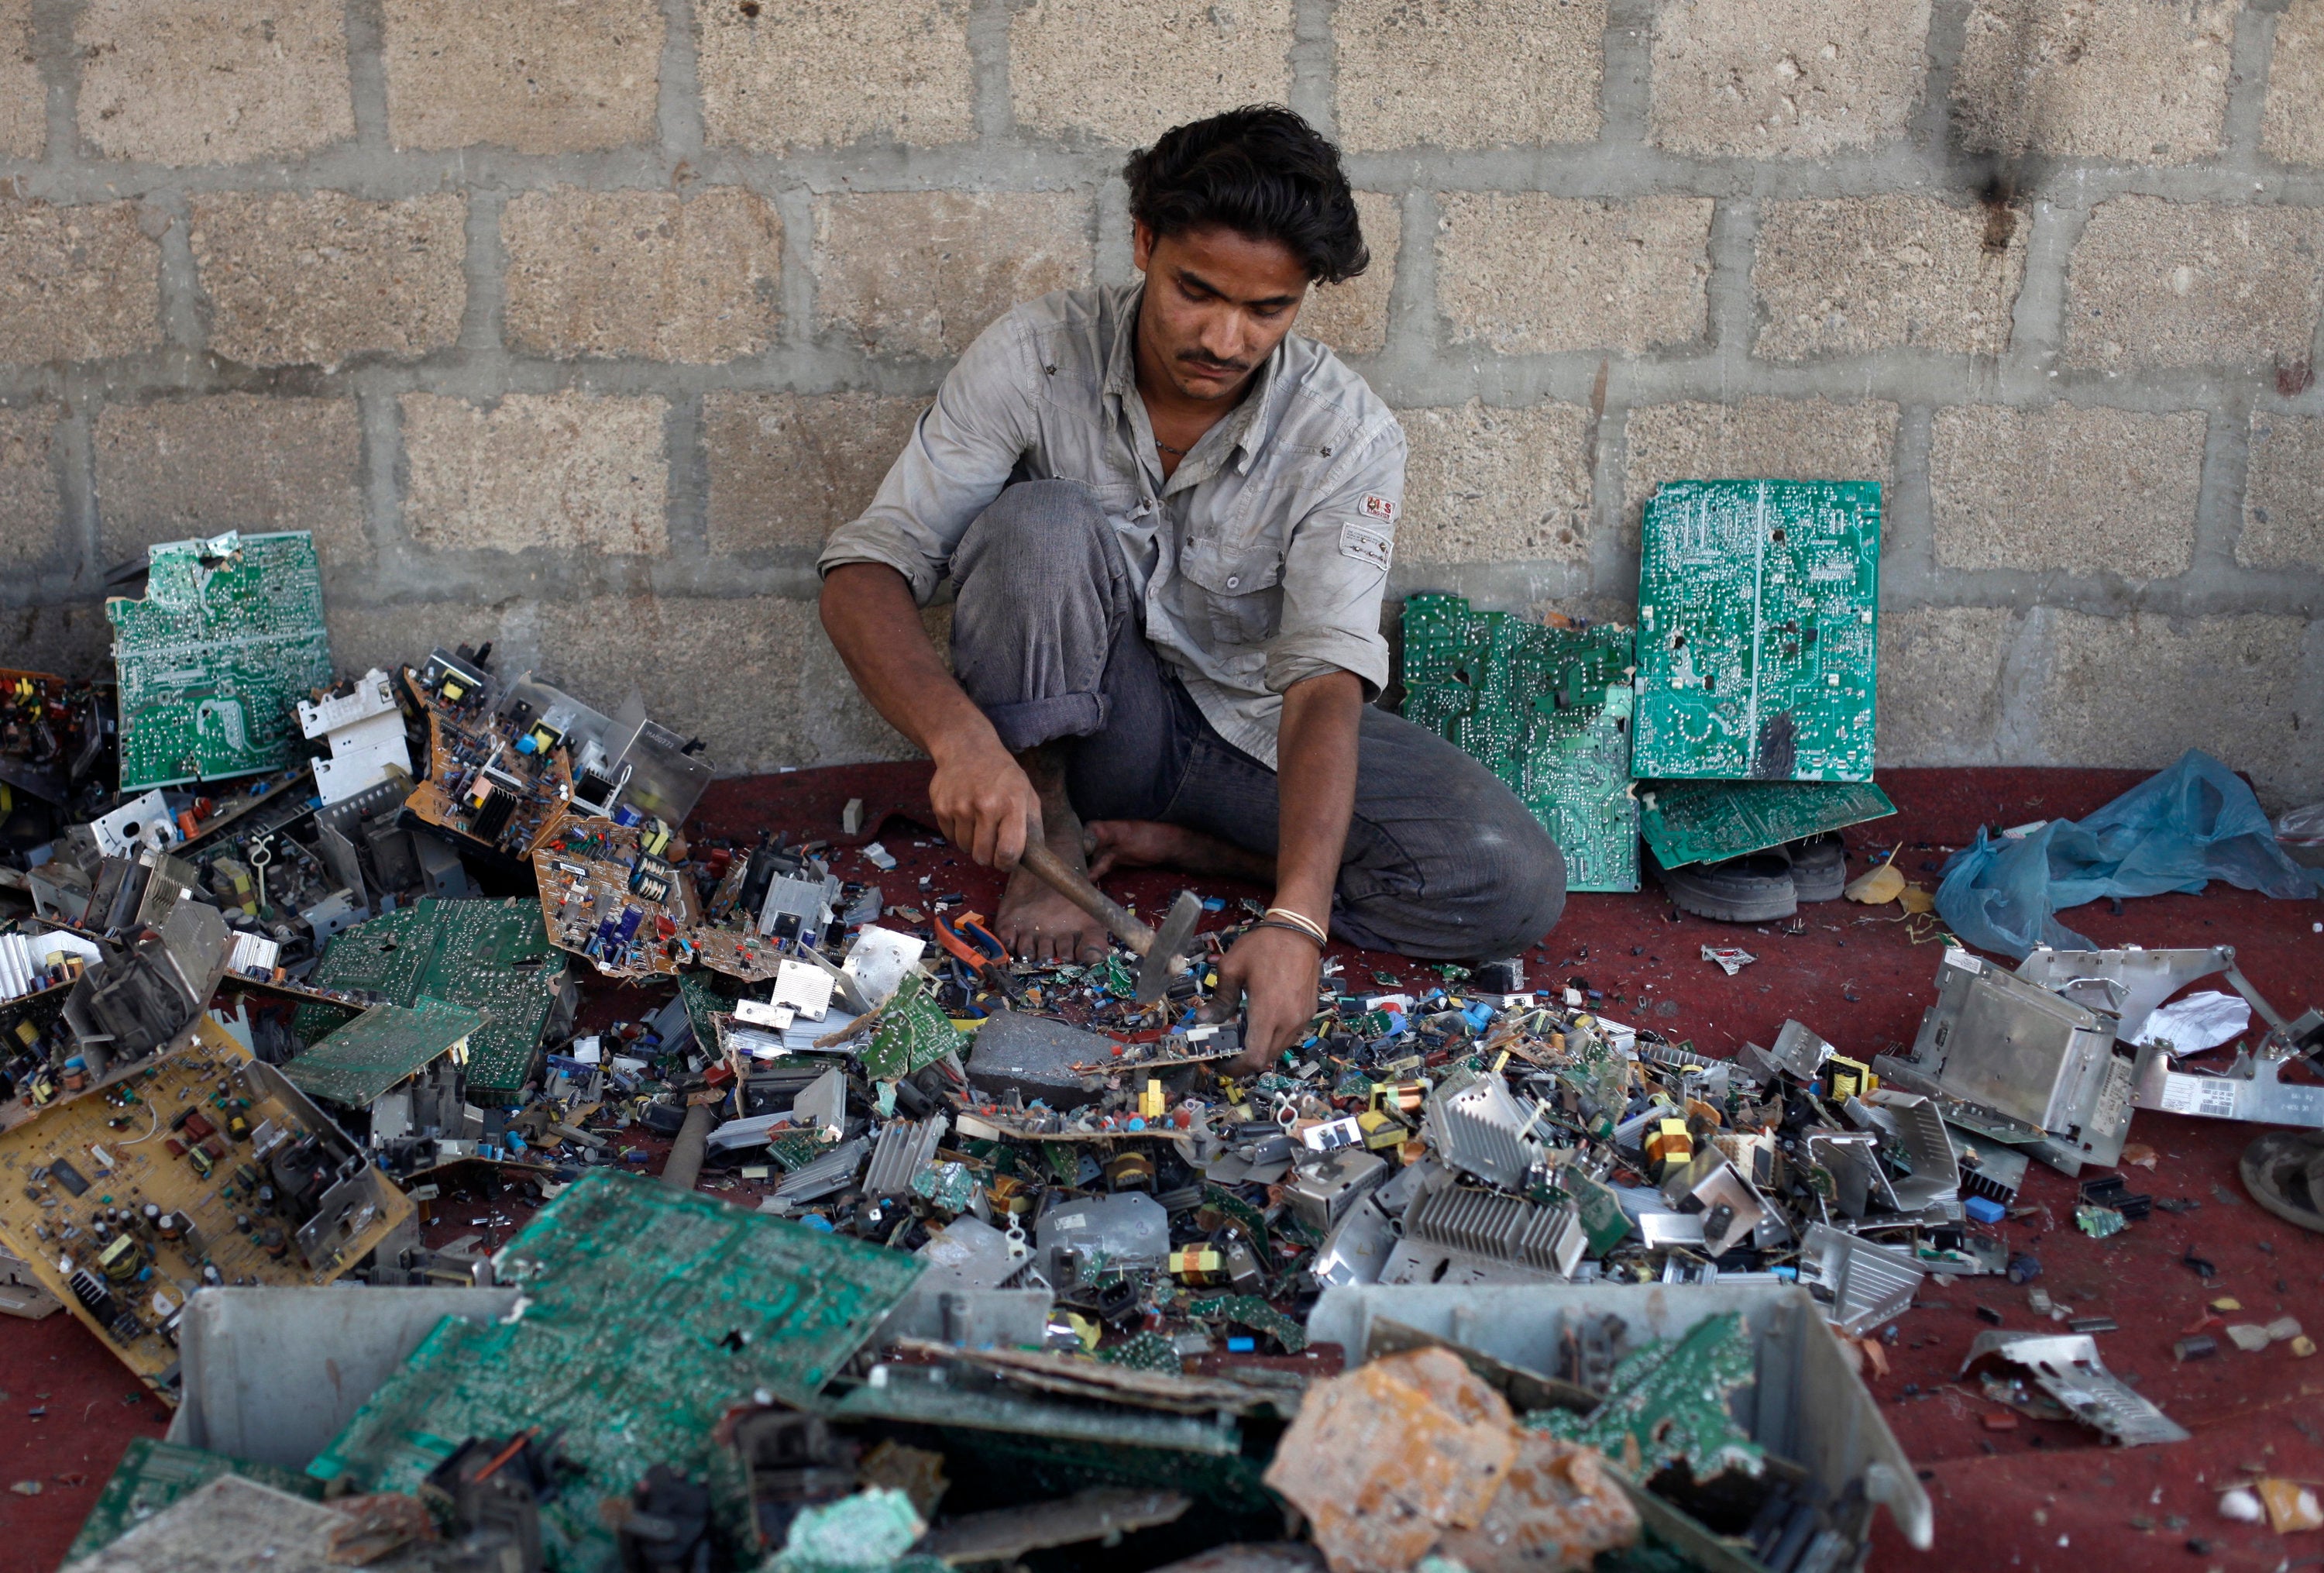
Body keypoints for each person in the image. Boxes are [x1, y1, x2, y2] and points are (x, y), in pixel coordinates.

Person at [817, 105, 1565, 1072]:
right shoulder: (1034, 355)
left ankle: (1199, 850)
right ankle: (1050, 849)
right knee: (1038, 521)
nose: (1224, 337)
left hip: (1251, 732)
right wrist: (959, 738)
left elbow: (1325, 681)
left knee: (1511, 882)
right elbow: (864, 572)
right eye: (1196, 291)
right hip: (1088, 734)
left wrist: (1298, 914)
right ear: (1142, 244)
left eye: (1268, 310)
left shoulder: (1347, 430)